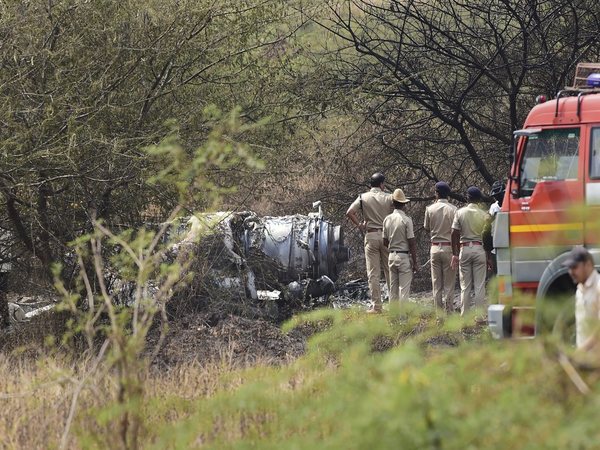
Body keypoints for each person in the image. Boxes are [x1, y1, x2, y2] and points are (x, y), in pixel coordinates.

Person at [347, 173, 394, 313]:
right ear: (381, 184)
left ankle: (377, 306)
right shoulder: (388, 197)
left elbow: (349, 212)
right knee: (389, 271)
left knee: (373, 273)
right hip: (386, 236)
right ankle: (394, 305)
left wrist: (360, 225)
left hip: (371, 235)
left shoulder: (363, 197)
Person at [451, 187, 491, 315]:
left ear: (467, 198)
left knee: (465, 287)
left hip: (465, 248)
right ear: (479, 199)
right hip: (479, 248)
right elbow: (487, 235)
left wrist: (455, 253)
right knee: (479, 286)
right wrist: (488, 255)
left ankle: (465, 318)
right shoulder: (484, 215)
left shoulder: (459, 212)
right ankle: (479, 317)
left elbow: (454, 233)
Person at [424, 181, 457, 313]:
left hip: (435, 248)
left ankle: (438, 315)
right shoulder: (454, 209)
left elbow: (427, 228)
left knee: (436, 284)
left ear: (437, 193)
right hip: (449, 247)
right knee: (449, 283)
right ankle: (449, 311)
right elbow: (456, 231)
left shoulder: (429, 209)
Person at [383, 189, 417, 302]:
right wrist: (415, 262)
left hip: (391, 256)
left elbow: (384, 242)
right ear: (404, 204)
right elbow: (411, 242)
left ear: (393, 203)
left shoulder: (387, 219)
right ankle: (403, 318)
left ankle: (393, 317)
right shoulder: (407, 220)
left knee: (393, 289)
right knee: (404, 290)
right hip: (403, 256)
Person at [563, 246, 600, 350]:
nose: (571, 272)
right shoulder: (580, 289)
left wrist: (581, 351)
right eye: (569, 268)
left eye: (574, 267)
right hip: (585, 360)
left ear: (588, 264)